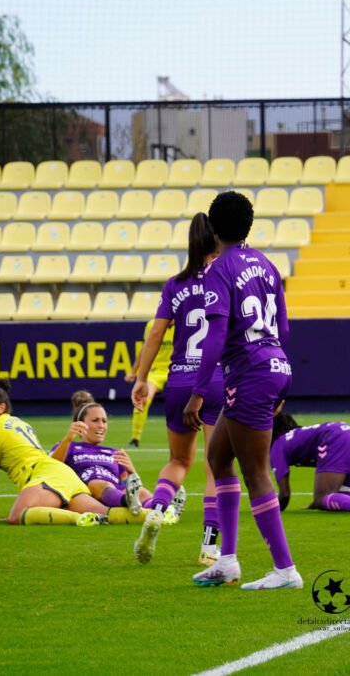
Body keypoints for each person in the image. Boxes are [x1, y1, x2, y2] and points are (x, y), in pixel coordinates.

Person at [184, 190, 300, 590]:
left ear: (213, 228)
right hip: (271, 364)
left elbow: (214, 336)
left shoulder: (220, 269)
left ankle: (285, 570)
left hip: (250, 370)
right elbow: (283, 328)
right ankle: (228, 560)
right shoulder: (267, 265)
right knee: (219, 458)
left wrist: (199, 391)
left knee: (255, 473)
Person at [132, 212, 225, 566]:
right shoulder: (225, 279)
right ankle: (209, 546)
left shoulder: (175, 284)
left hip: (179, 380)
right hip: (215, 379)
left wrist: (141, 378)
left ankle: (156, 509)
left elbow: (156, 333)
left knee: (178, 460)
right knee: (214, 464)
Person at [0, 381, 133, 526]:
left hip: (45, 477)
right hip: (66, 475)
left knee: (17, 516)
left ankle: (77, 518)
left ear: (1, 407)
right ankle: (150, 515)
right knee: (108, 513)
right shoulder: (18, 422)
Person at [49, 391, 151, 519]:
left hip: (117, 493)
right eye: (95, 420)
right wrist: (68, 438)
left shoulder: (114, 452)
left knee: (142, 492)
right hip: (87, 493)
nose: (101, 426)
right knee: (98, 483)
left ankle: (162, 508)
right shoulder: (68, 446)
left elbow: (128, 485)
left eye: (104, 421)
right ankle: (128, 503)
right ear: (81, 423)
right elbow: (51, 469)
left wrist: (131, 471)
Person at [270, 412, 350, 515]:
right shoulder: (297, 434)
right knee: (341, 494)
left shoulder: (277, 445)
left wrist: (268, 511)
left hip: (337, 437)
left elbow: (284, 495)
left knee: (322, 498)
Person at [125, 322, 174, 447]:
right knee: (142, 399)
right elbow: (145, 349)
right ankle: (135, 438)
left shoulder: (184, 322)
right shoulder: (153, 325)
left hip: (176, 368)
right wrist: (133, 371)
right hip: (156, 370)